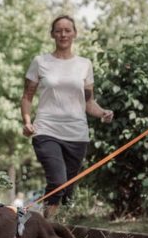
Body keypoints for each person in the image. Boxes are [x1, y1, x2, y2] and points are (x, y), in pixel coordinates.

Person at [21, 15, 113, 219]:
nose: (63, 34)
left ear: (74, 34)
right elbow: (27, 97)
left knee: (67, 190)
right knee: (57, 181)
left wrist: (102, 113)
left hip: (76, 134)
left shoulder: (84, 64)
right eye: (58, 30)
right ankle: (47, 227)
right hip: (46, 130)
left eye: (67, 30)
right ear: (52, 34)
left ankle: (57, 225)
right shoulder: (40, 62)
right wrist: (27, 122)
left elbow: (88, 101)